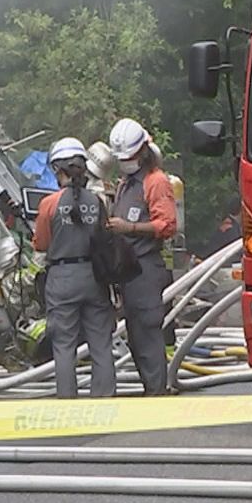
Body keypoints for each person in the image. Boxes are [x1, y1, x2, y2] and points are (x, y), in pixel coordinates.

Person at [31, 137, 119, 399]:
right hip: (95, 278)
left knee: (64, 345)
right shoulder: (97, 202)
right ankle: (104, 399)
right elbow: (105, 239)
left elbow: (41, 244)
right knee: (101, 344)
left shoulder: (49, 204)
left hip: (62, 278)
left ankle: (68, 401)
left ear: (58, 169)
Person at [105, 117, 180, 395]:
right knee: (136, 336)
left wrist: (130, 228)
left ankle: (156, 392)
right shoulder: (126, 183)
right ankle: (151, 388)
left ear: (142, 152)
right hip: (126, 269)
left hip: (145, 269)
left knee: (148, 333)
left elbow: (167, 225)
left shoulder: (156, 182)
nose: (126, 161)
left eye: (130, 156)